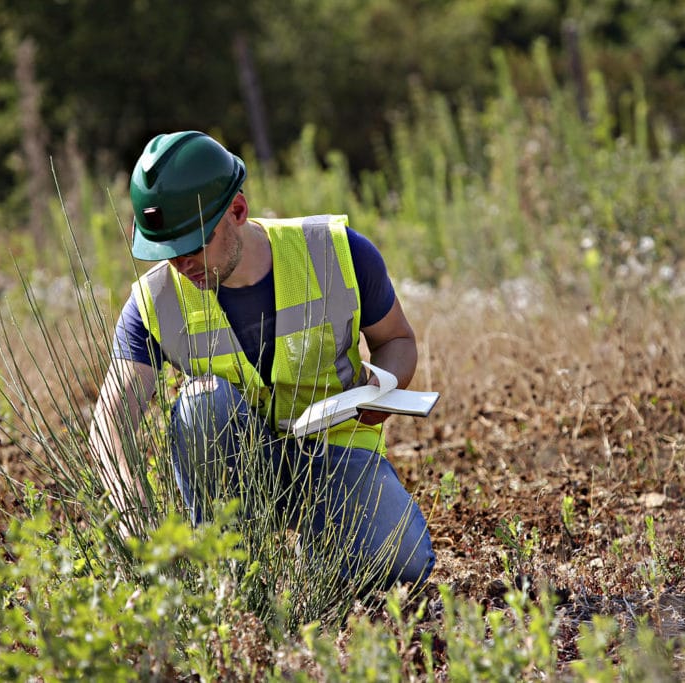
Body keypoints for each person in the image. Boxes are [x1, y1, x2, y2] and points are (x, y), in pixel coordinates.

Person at [88, 130, 435, 595]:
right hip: (236, 475)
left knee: (401, 562)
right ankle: (234, 574)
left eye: (193, 245)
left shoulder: (337, 252)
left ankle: (322, 553)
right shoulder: (154, 301)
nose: (180, 265)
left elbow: (397, 340)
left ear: (237, 210)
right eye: (166, 251)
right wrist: (133, 511)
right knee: (200, 404)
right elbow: (110, 421)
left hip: (334, 453)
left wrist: (384, 382)